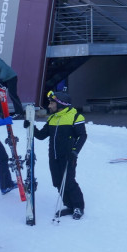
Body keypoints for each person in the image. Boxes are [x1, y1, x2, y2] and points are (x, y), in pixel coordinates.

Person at [33, 90, 86, 219]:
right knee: (57, 182)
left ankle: (78, 207)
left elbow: (82, 136)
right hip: (54, 156)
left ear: (61, 104)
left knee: (68, 181)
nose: (49, 106)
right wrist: (31, 127)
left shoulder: (75, 117)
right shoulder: (52, 118)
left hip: (68, 156)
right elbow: (41, 136)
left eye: (52, 103)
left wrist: (75, 151)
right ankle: (69, 205)